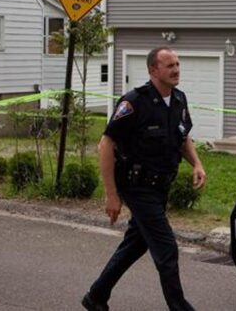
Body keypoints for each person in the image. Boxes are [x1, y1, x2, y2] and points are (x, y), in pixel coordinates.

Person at [82, 47, 207, 311]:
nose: (176, 70)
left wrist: (196, 163)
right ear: (153, 70)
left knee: (135, 244)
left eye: (177, 64)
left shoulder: (179, 100)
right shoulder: (134, 102)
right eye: (169, 65)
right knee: (166, 248)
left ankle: (96, 296)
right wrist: (112, 194)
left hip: (161, 187)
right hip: (137, 186)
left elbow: (182, 137)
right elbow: (105, 144)